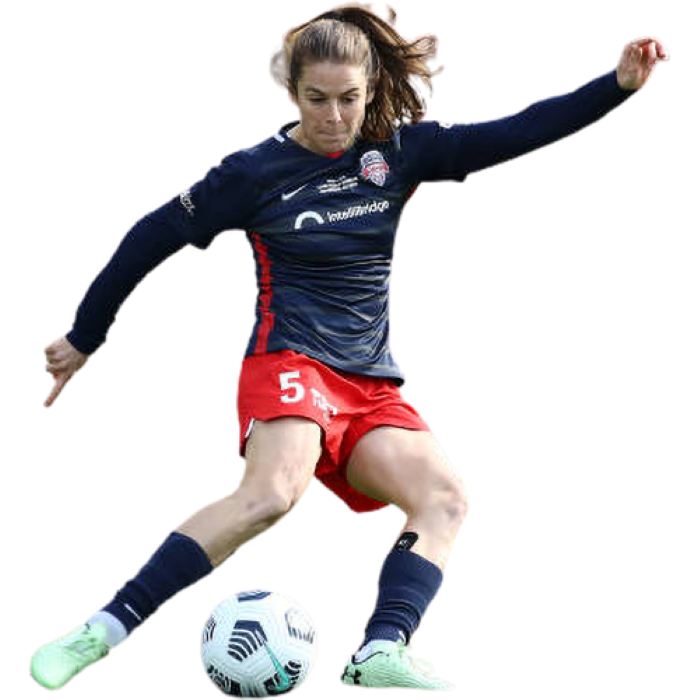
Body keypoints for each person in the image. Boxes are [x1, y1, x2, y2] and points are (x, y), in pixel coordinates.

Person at [31, 0, 670, 693]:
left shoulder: (399, 151)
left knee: (444, 497)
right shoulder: (253, 171)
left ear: (369, 90)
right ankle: (97, 632)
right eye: (317, 99)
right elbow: (149, 236)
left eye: (349, 99)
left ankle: (379, 652)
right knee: (273, 494)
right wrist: (83, 337)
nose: (334, 117)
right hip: (289, 360)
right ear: (290, 91)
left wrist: (616, 85)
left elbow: (518, 129)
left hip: (369, 381)